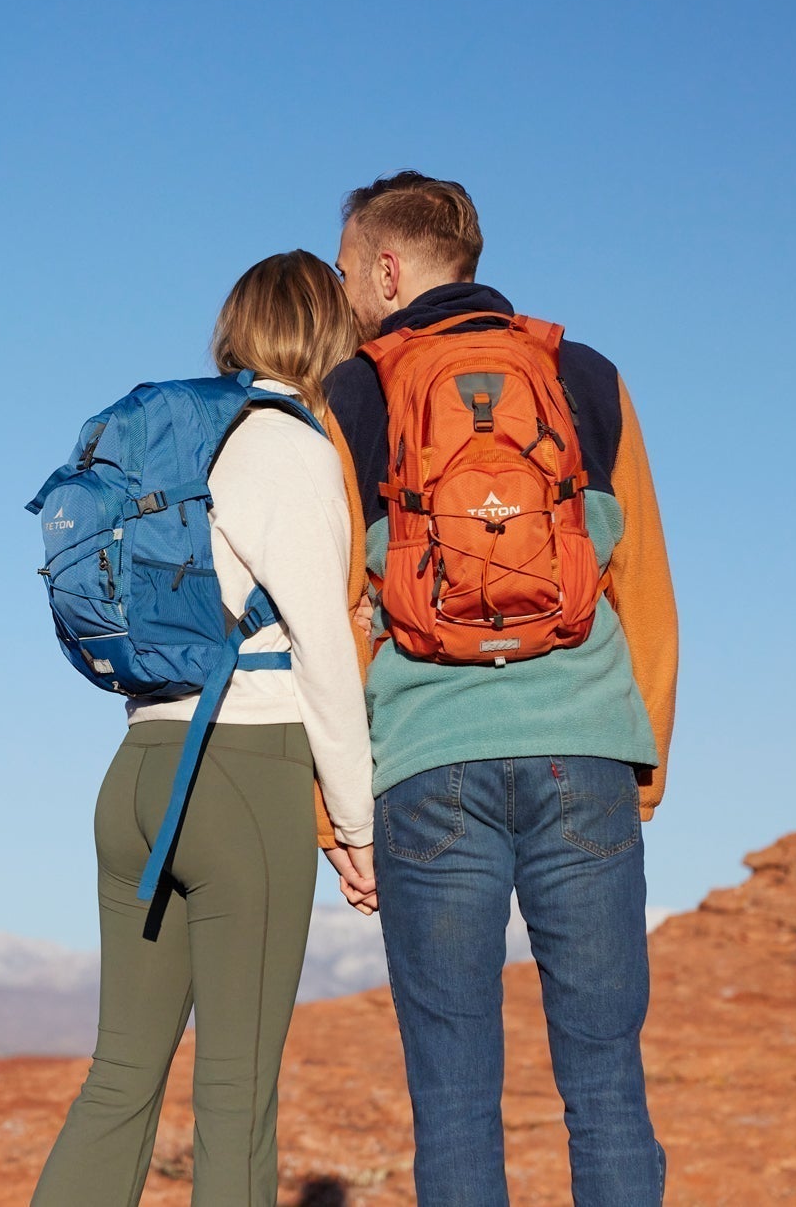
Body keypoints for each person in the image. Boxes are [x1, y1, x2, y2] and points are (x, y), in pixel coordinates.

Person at [324, 172, 678, 1206]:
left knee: (452, 1100)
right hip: (585, 751)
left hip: (427, 764)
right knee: (606, 1083)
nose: (346, 292)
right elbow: (642, 581)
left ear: (388, 269)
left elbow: (338, 609)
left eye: (349, 271)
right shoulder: (587, 375)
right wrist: (638, 767)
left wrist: (335, 810)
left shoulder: (352, 391)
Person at [32, 250, 378, 1207]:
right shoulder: (291, 446)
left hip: (138, 772)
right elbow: (323, 654)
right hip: (241, 778)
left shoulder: (177, 439)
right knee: (235, 1097)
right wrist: (357, 826)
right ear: (330, 336)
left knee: (119, 1078)